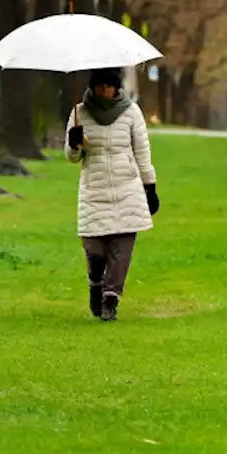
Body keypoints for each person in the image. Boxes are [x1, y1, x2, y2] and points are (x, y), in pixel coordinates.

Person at [65, 67, 160, 322]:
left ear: (117, 87)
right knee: (94, 249)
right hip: (94, 188)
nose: (105, 91)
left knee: (122, 249)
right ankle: (95, 284)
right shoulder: (79, 113)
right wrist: (74, 144)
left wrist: (149, 185)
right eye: (100, 86)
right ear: (93, 87)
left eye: (110, 86)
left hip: (126, 187)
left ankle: (111, 298)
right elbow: (72, 157)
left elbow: (142, 151)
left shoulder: (131, 112)